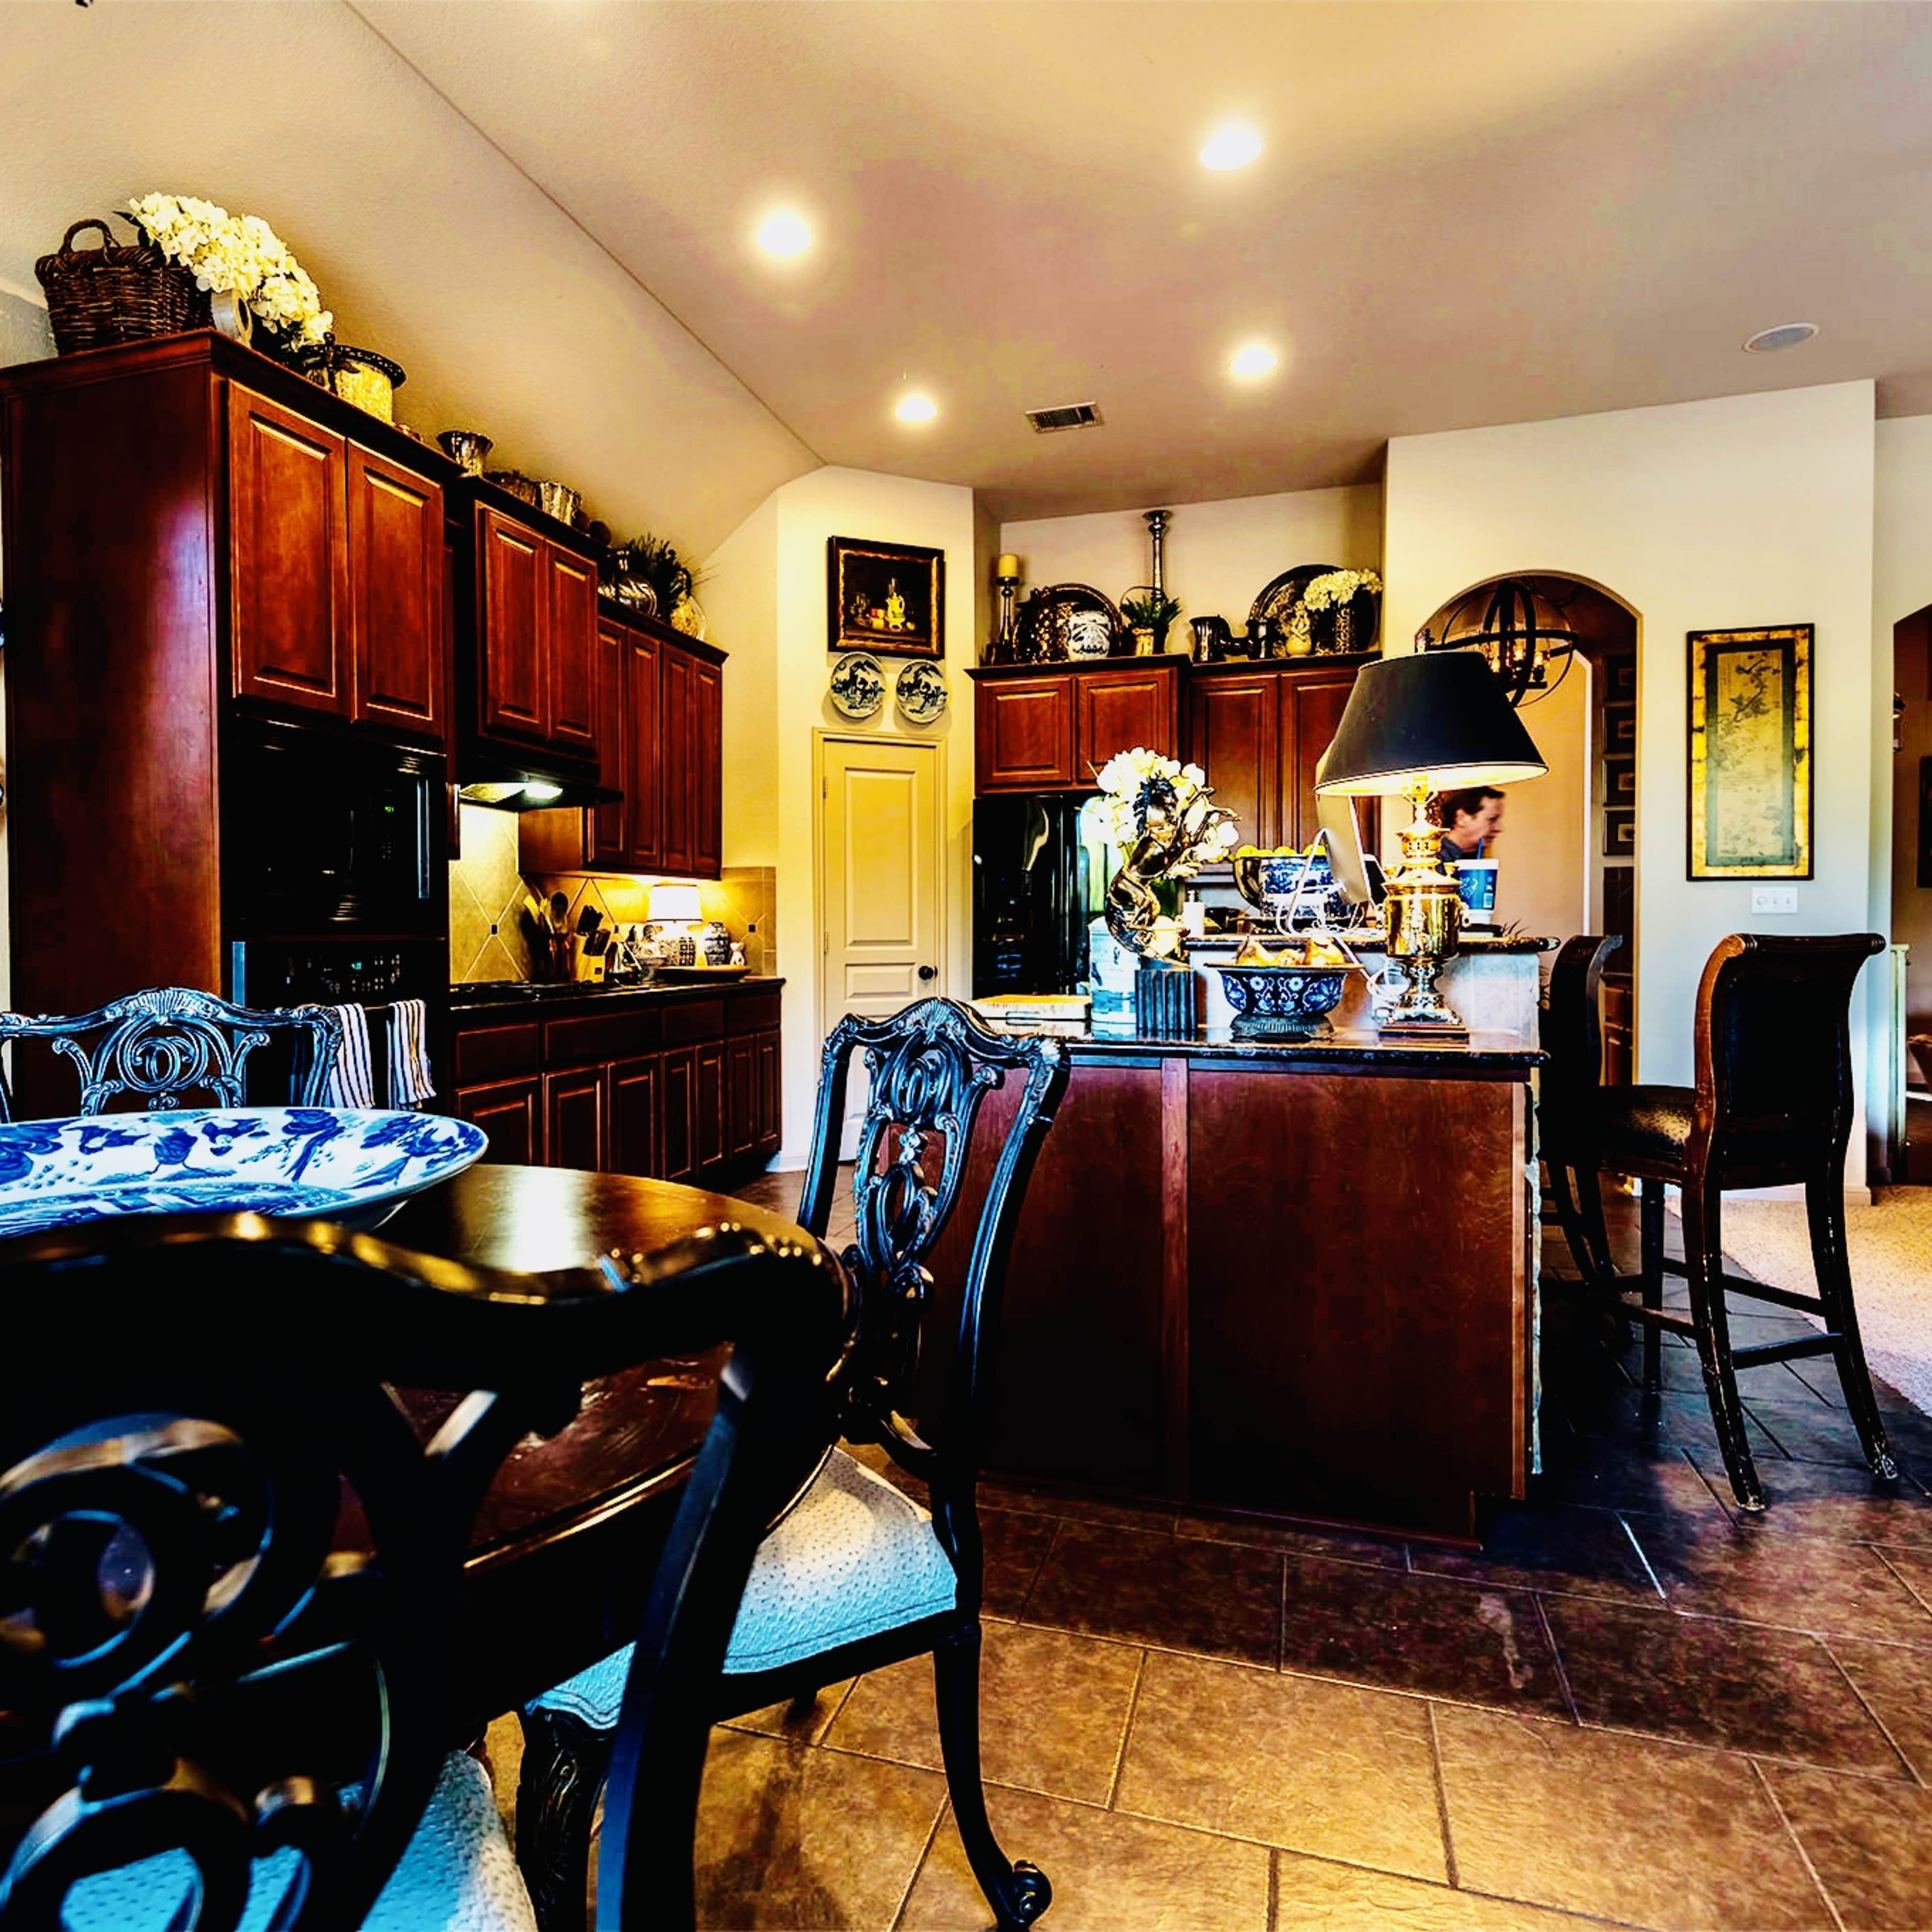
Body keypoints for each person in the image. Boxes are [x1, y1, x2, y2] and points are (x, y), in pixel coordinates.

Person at [1438, 786, 1504, 864]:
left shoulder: (1480, 858)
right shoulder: (1434, 861)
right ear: (1461, 818)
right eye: (1492, 819)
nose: (1499, 828)